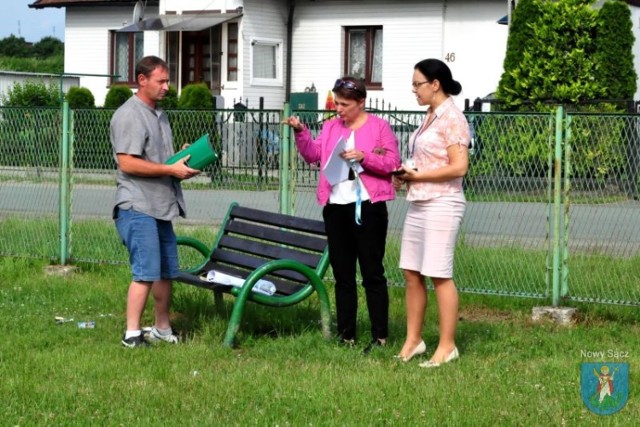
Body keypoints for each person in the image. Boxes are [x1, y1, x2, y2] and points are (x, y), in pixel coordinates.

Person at [285, 77, 401, 354]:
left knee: (372, 272)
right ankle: (346, 334)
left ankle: (380, 336)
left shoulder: (379, 127)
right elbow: (313, 155)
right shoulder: (330, 126)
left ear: (362, 103)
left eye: (345, 104)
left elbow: (393, 163)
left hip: (369, 207)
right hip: (336, 207)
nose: (339, 109)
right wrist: (301, 132)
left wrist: (365, 157)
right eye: (337, 103)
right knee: (343, 274)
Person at [110, 56, 200, 348]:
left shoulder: (159, 114)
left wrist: (182, 160)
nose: (167, 87)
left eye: (167, 80)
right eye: (161, 81)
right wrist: (169, 170)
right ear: (141, 80)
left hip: (161, 205)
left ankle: (162, 328)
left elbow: (161, 161)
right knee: (145, 272)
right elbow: (127, 163)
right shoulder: (129, 115)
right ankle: (132, 334)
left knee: (165, 271)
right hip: (138, 207)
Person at [392, 59, 470, 367]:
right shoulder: (430, 116)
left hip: (443, 202)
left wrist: (417, 176)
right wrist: (407, 173)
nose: (414, 89)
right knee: (411, 271)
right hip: (420, 201)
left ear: (435, 84)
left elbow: (459, 167)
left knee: (439, 274)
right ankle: (414, 341)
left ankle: (447, 346)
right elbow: (429, 159)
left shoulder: (452, 117)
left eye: (417, 84)